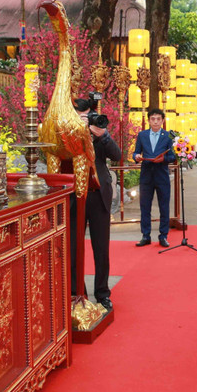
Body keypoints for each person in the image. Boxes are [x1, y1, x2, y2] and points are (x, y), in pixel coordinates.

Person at [73, 98, 123, 309]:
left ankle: (102, 293)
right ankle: (77, 293)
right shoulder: (68, 134)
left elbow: (117, 155)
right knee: (74, 247)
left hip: (98, 195)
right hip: (75, 196)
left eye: (87, 116)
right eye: (80, 116)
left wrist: (102, 135)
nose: (85, 120)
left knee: (101, 248)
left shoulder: (99, 133)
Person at [133, 108, 176, 247]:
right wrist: (136, 157)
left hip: (162, 175)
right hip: (146, 176)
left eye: (158, 119)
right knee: (145, 207)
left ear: (163, 121)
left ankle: (163, 236)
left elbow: (172, 156)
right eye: (153, 119)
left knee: (164, 207)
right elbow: (136, 152)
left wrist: (164, 159)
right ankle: (146, 235)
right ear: (149, 121)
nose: (156, 122)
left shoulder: (168, 136)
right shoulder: (142, 135)